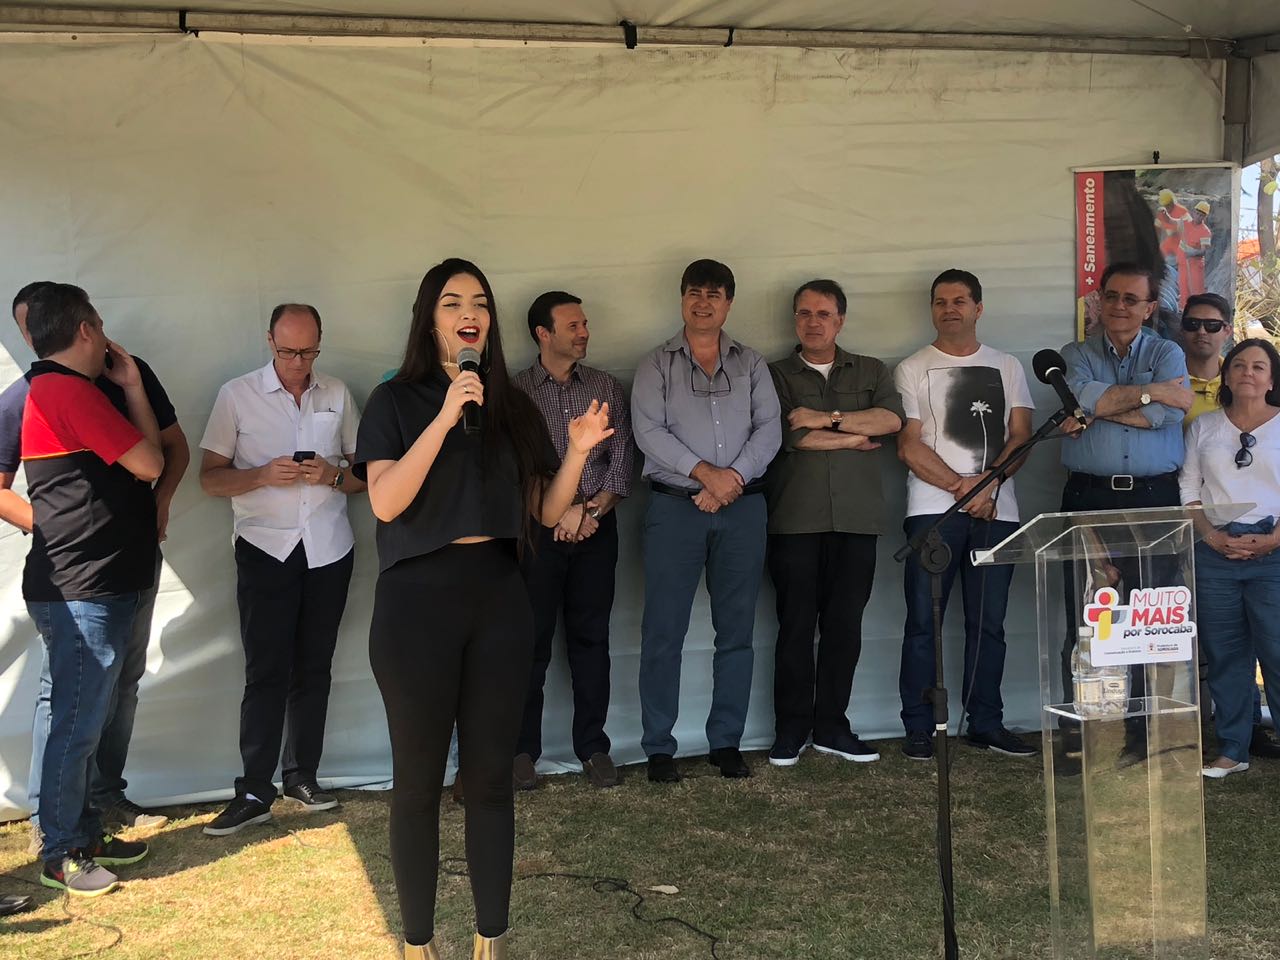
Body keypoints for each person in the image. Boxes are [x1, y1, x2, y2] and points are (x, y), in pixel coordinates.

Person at [354, 259, 612, 960]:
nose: (468, 313)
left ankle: (490, 942)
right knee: (417, 784)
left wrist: (577, 454)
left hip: (499, 597)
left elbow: (547, 512)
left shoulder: (512, 407)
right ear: (428, 318)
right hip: (416, 606)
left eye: (478, 302)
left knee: (491, 781)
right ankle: (418, 944)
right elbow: (385, 502)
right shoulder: (394, 401)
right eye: (451, 302)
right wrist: (444, 417)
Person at [3, 284, 186, 851]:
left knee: (96, 704)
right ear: (85, 329)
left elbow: (162, 460)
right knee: (75, 718)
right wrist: (51, 527)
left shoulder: (63, 387)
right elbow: (150, 461)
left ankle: (85, 824)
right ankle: (61, 842)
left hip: (115, 572)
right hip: (84, 583)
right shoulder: (54, 391)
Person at [198, 303, 365, 835]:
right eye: (289, 351)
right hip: (265, 549)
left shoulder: (337, 393)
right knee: (266, 672)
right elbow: (209, 478)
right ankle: (253, 789)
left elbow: (366, 475)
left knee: (315, 667)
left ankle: (302, 776)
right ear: (270, 341)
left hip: (328, 549)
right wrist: (261, 475)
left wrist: (331, 476)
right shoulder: (237, 394)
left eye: (309, 351)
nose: (299, 362)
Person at [631, 259, 781, 782]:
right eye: (695, 293)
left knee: (736, 631)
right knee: (663, 631)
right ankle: (658, 747)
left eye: (714, 295)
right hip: (675, 509)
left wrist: (729, 480)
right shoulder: (655, 364)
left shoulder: (752, 363)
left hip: (742, 508)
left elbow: (770, 429)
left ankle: (726, 742)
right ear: (682, 299)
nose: (703, 303)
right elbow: (648, 431)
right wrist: (705, 476)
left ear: (729, 303)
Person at [894, 269, 1037, 761]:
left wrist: (989, 484)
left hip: (998, 513)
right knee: (923, 622)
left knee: (989, 623)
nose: (949, 309)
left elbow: (1022, 436)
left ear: (978, 308)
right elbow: (908, 445)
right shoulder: (912, 368)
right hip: (933, 513)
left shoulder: (1007, 365)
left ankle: (986, 723)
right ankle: (920, 727)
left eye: (959, 301)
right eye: (940, 301)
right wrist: (963, 488)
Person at [765, 279, 904, 766]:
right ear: (794, 320)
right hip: (795, 520)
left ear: (840, 320)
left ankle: (831, 726)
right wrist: (851, 437)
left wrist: (825, 419)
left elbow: (890, 422)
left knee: (845, 627)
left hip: (857, 520)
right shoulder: (774, 375)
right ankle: (790, 730)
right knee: (795, 628)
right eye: (804, 313)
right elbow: (788, 437)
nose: (813, 322)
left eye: (823, 314)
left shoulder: (870, 369)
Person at [1058, 262, 1193, 759]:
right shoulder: (1074, 354)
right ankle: (1076, 734)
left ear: (1149, 307)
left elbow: (1169, 412)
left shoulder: (1167, 351)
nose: (1119, 306)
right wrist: (1151, 392)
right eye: (1111, 296)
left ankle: (1141, 732)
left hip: (1152, 497)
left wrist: (1101, 409)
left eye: (1131, 299)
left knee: (1146, 620)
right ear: (1099, 299)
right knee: (1084, 614)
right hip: (1087, 496)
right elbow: (1079, 399)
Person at [511, 291, 633, 790]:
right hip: (537, 536)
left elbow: (622, 463)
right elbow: (516, 469)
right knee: (530, 643)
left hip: (597, 531)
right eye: (573, 326)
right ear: (543, 334)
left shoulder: (605, 387)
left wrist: (589, 511)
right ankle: (521, 752)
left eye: (585, 324)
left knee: (591, 640)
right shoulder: (515, 393)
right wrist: (559, 513)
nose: (584, 333)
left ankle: (594, 748)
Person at [1175, 296, 1280, 757]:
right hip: (1214, 552)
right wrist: (1211, 536)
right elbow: (1188, 488)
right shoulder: (1204, 428)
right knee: (1226, 654)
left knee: (1276, 652)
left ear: (1272, 379)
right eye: (1239, 365)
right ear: (1226, 374)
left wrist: (1273, 540)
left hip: (1273, 551)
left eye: (1258, 367)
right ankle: (1233, 748)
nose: (1247, 373)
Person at [1180, 201, 1213, 300]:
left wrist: (1192, 252)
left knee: (1196, 291)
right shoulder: (1186, 224)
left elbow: (1203, 251)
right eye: (1197, 213)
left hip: (1195, 265)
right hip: (1184, 263)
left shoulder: (1205, 232)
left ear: (1205, 217)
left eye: (1201, 215)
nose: (1198, 217)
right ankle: (1183, 306)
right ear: (1193, 212)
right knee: (1184, 288)